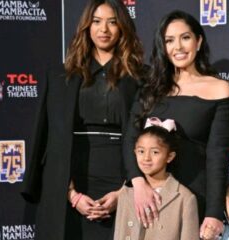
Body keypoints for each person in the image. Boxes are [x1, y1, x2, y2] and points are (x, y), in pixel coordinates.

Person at [21, 0, 144, 239]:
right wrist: (72, 195)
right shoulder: (59, 76)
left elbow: (151, 141)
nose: (104, 30)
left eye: (112, 22)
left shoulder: (142, 78)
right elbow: (47, 141)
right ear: (86, 27)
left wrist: (125, 193)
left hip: (122, 182)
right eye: (96, 22)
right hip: (69, 187)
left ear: (123, 28)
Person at [123, 10, 229, 239]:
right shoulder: (150, 89)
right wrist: (138, 184)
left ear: (199, 41)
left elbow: (218, 156)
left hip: (195, 198)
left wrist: (214, 213)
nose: (178, 47)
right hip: (149, 200)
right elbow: (130, 140)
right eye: (169, 40)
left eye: (185, 38)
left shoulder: (219, 89)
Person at [114, 118, 199, 240]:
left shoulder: (184, 198)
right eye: (141, 151)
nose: (146, 158)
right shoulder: (126, 193)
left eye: (155, 152)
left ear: (170, 156)